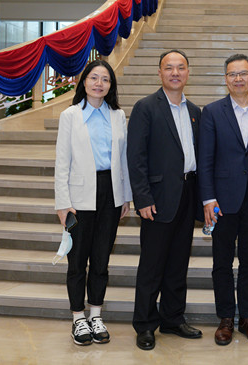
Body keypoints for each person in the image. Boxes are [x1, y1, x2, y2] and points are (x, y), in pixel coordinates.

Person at [198, 53, 248, 346]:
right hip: (222, 201)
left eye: (243, 73)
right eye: (233, 74)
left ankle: (247, 318)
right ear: (226, 79)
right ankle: (225, 319)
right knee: (221, 262)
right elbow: (205, 159)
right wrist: (208, 198)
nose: (238, 79)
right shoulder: (212, 112)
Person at [127, 49, 203, 351]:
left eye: (180, 67)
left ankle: (173, 318)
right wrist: (142, 197)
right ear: (159, 73)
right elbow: (136, 157)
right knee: (152, 265)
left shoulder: (194, 110)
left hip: (187, 194)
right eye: (169, 68)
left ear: (188, 73)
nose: (175, 73)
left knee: (178, 263)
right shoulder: (146, 107)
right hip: (157, 199)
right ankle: (145, 324)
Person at [54, 59, 132, 346]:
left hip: (111, 193)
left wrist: (125, 196)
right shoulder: (70, 115)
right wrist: (63, 203)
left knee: (101, 259)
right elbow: (62, 162)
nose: (99, 83)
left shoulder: (118, 115)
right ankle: (78, 318)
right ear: (84, 82)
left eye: (105, 79)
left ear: (111, 85)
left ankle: (96, 315)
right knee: (77, 261)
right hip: (78, 197)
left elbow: (123, 158)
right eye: (94, 78)